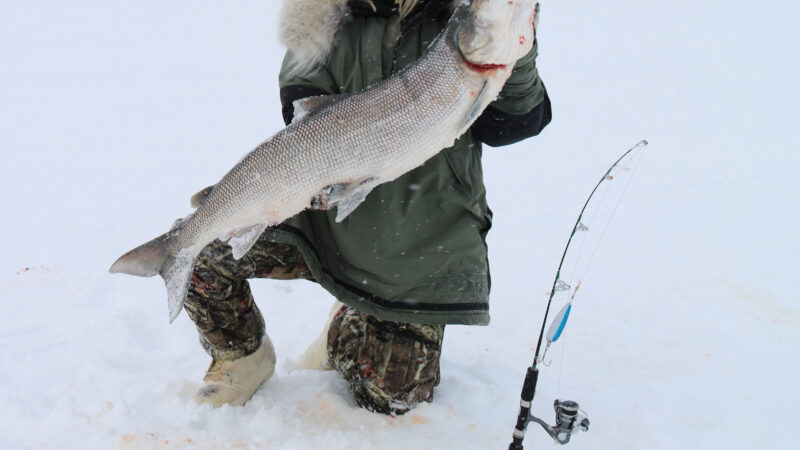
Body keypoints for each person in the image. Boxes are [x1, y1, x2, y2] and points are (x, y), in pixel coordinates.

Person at [185, 0, 551, 415]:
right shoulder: (323, 13)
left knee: (390, 400)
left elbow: (515, 124)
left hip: (420, 239)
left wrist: (517, 51)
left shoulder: (464, 22)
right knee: (202, 251)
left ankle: (346, 325)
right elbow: (302, 108)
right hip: (324, 219)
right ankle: (244, 358)